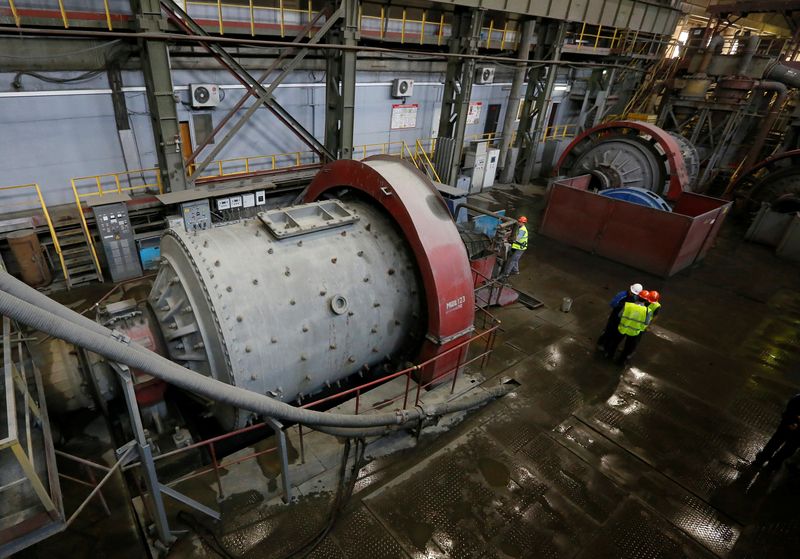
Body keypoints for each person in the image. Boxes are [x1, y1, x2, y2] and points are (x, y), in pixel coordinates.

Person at [753, 393, 800, 472]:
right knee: (788, 448)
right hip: (794, 428)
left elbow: (791, 407)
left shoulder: (797, 399)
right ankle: (772, 465)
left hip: (789, 423)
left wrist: (790, 421)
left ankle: (763, 460)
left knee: (776, 442)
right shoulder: (797, 399)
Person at [603, 293, 651, 364]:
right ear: (646, 301)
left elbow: (620, 315)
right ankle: (621, 361)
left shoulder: (627, 305)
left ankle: (609, 355)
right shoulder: (647, 311)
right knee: (627, 347)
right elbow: (646, 323)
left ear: (637, 297)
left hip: (623, 328)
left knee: (615, 343)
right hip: (634, 332)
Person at [597, 283, 643, 349]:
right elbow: (612, 304)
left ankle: (608, 345)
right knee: (608, 330)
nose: (632, 294)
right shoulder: (622, 295)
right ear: (630, 289)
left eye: (634, 294)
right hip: (615, 316)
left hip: (623, 318)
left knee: (615, 333)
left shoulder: (635, 298)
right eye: (632, 293)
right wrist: (622, 306)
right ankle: (601, 343)